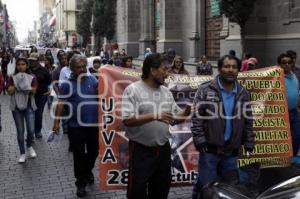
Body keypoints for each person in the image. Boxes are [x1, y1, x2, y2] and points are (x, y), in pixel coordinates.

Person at [122, 53, 191, 199]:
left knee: (161, 187)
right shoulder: (132, 90)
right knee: (137, 190)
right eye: (164, 69)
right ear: (152, 70)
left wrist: (186, 112)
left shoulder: (166, 92)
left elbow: (175, 118)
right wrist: (155, 115)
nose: (167, 74)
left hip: (163, 150)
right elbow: (127, 120)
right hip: (141, 150)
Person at [191, 54, 255, 199]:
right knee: (205, 186)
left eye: (234, 67)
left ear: (238, 70)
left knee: (230, 187)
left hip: (231, 151)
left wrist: (249, 141)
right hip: (210, 150)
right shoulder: (205, 90)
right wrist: (200, 140)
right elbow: (197, 118)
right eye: (226, 66)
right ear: (219, 69)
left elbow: (248, 120)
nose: (230, 70)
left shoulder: (243, 93)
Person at [52, 54, 99, 197]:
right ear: (72, 68)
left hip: (93, 125)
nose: (82, 69)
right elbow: (60, 104)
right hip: (75, 126)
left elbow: (101, 96)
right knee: (78, 156)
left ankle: (87, 171)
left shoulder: (93, 80)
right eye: (78, 67)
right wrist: (56, 123)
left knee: (94, 152)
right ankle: (80, 184)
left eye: (84, 66)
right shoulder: (66, 84)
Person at [7, 57, 38, 163]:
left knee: (31, 130)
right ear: (16, 66)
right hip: (16, 108)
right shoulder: (12, 77)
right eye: (19, 64)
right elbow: (10, 91)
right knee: (20, 131)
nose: (21, 66)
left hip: (29, 106)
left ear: (27, 65)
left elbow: (34, 91)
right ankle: (22, 153)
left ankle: (29, 146)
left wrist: (25, 84)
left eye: (23, 64)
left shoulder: (32, 77)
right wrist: (17, 83)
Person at [277, 53, 300, 161]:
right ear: (279, 64)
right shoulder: (275, 77)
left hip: (294, 112)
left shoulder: (294, 75)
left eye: (289, 62)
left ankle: (293, 158)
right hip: (281, 113)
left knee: (297, 135)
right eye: (284, 63)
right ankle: (282, 159)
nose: (287, 65)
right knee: (283, 138)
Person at [28, 52, 52, 139]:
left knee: (38, 114)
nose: (31, 62)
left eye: (33, 61)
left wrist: (49, 90)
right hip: (29, 95)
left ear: (37, 61)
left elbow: (49, 81)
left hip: (41, 95)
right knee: (30, 114)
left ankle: (37, 131)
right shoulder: (28, 69)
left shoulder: (43, 70)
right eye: (30, 60)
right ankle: (30, 131)